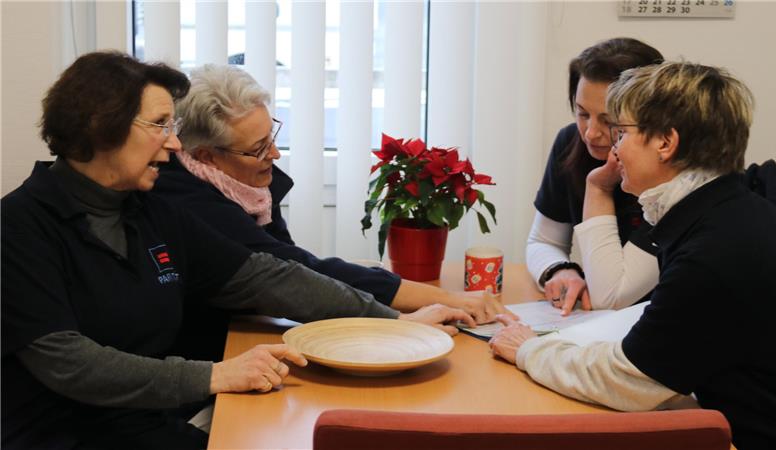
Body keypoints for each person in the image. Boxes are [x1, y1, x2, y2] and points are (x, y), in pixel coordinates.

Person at [0, 51, 474, 449]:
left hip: (144, 422)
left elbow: (268, 275)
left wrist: (392, 325)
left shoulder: (149, 210)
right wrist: (213, 376)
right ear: (103, 128)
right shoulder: (19, 226)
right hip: (61, 435)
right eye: (161, 125)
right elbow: (70, 363)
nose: (174, 143)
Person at [491, 62, 776, 449]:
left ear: (665, 143)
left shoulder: (713, 249)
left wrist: (529, 350)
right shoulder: (730, 209)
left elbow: (629, 381)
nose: (614, 148)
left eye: (621, 133)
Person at [152, 64, 511, 361]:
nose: (274, 155)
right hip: (204, 363)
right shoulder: (187, 199)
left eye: (272, 137)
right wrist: (418, 312)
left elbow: (293, 266)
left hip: (241, 340)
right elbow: (290, 271)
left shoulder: (243, 180)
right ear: (206, 157)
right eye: (258, 149)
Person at [526, 37, 664, 315]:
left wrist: (598, 188)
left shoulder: (671, 168)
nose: (590, 132)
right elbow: (544, 241)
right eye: (582, 113)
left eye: (609, 120)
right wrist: (560, 270)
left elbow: (614, 296)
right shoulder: (570, 144)